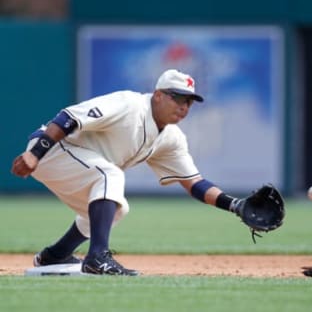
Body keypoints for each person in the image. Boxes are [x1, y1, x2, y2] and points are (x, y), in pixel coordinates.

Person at [11, 69, 249, 276]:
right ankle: (97, 259)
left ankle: (55, 255)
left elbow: (195, 183)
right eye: (178, 98)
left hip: (76, 161)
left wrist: (235, 205)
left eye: (189, 102)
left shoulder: (172, 138)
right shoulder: (129, 104)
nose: (183, 107)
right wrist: (36, 153)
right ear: (158, 95)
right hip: (52, 149)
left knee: (114, 208)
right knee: (110, 176)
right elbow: (69, 117)